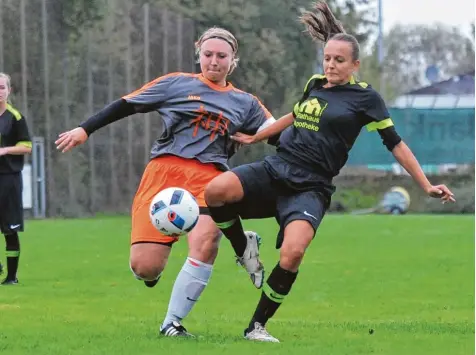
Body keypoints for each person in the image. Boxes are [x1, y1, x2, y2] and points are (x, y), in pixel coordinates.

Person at [204, 1, 456, 343]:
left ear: (355, 64)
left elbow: (396, 144)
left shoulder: (367, 100)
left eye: (339, 60)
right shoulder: (315, 84)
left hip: (311, 186)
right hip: (277, 167)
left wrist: (425, 185)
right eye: (327, 58)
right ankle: (244, 249)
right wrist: (256, 136)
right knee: (215, 191)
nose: (331, 65)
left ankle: (256, 326)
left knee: (293, 253)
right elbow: (292, 116)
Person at [55, 27, 276, 337]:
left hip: (210, 178)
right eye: (208, 54)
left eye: (221, 56)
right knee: (145, 268)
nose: (214, 61)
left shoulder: (246, 103)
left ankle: (171, 324)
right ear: (199, 54)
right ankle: (240, 240)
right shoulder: (176, 84)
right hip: (164, 175)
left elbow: (277, 133)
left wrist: (263, 134)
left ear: (233, 60)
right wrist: (85, 129)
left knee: (206, 242)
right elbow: (127, 104)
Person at [0, 72, 32, 285]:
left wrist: (4, 151)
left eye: (2, 87)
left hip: (8, 179)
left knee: (9, 229)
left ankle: (11, 277)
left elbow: (26, 147)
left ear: (9, 91)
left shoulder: (16, 117)